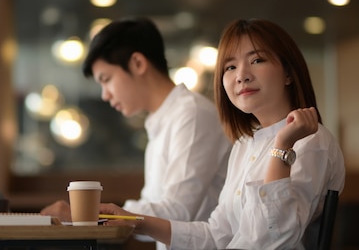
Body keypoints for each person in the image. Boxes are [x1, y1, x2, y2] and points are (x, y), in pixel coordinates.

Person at [99, 18, 346, 249]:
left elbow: (276, 240)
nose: (242, 76)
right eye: (230, 66)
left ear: (289, 73)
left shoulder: (310, 141)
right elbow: (218, 235)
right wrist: (135, 220)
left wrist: (283, 145)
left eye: (257, 60)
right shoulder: (244, 145)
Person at [40, 17, 232, 249]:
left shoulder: (191, 115)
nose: (105, 95)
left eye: (106, 79)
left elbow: (176, 213)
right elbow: (152, 220)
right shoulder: (161, 121)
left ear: (138, 63)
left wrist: (84, 215)